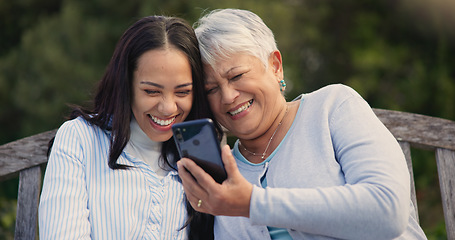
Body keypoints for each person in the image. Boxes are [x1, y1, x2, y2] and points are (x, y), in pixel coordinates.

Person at [177, 8, 427, 239]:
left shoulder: (333, 107)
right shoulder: (224, 175)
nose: (228, 96)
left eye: (237, 75)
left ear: (275, 66)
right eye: (211, 89)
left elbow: (388, 210)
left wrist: (253, 203)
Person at [39, 15, 219, 239]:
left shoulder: (199, 153)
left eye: (182, 92)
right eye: (151, 91)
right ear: (126, 85)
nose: (167, 108)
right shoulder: (80, 139)